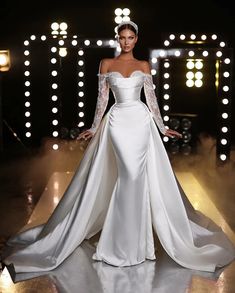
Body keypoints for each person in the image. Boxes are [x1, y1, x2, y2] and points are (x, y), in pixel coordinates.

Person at [1, 21, 235, 274]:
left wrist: (161, 126)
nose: (126, 42)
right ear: (117, 39)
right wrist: (93, 126)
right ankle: (120, 244)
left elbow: (151, 99)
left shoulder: (143, 66)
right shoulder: (106, 64)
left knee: (135, 177)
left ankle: (135, 244)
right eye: (122, 37)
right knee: (127, 176)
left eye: (130, 37)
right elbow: (102, 99)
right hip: (116, 123)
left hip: (141, 122)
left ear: (136, 39)